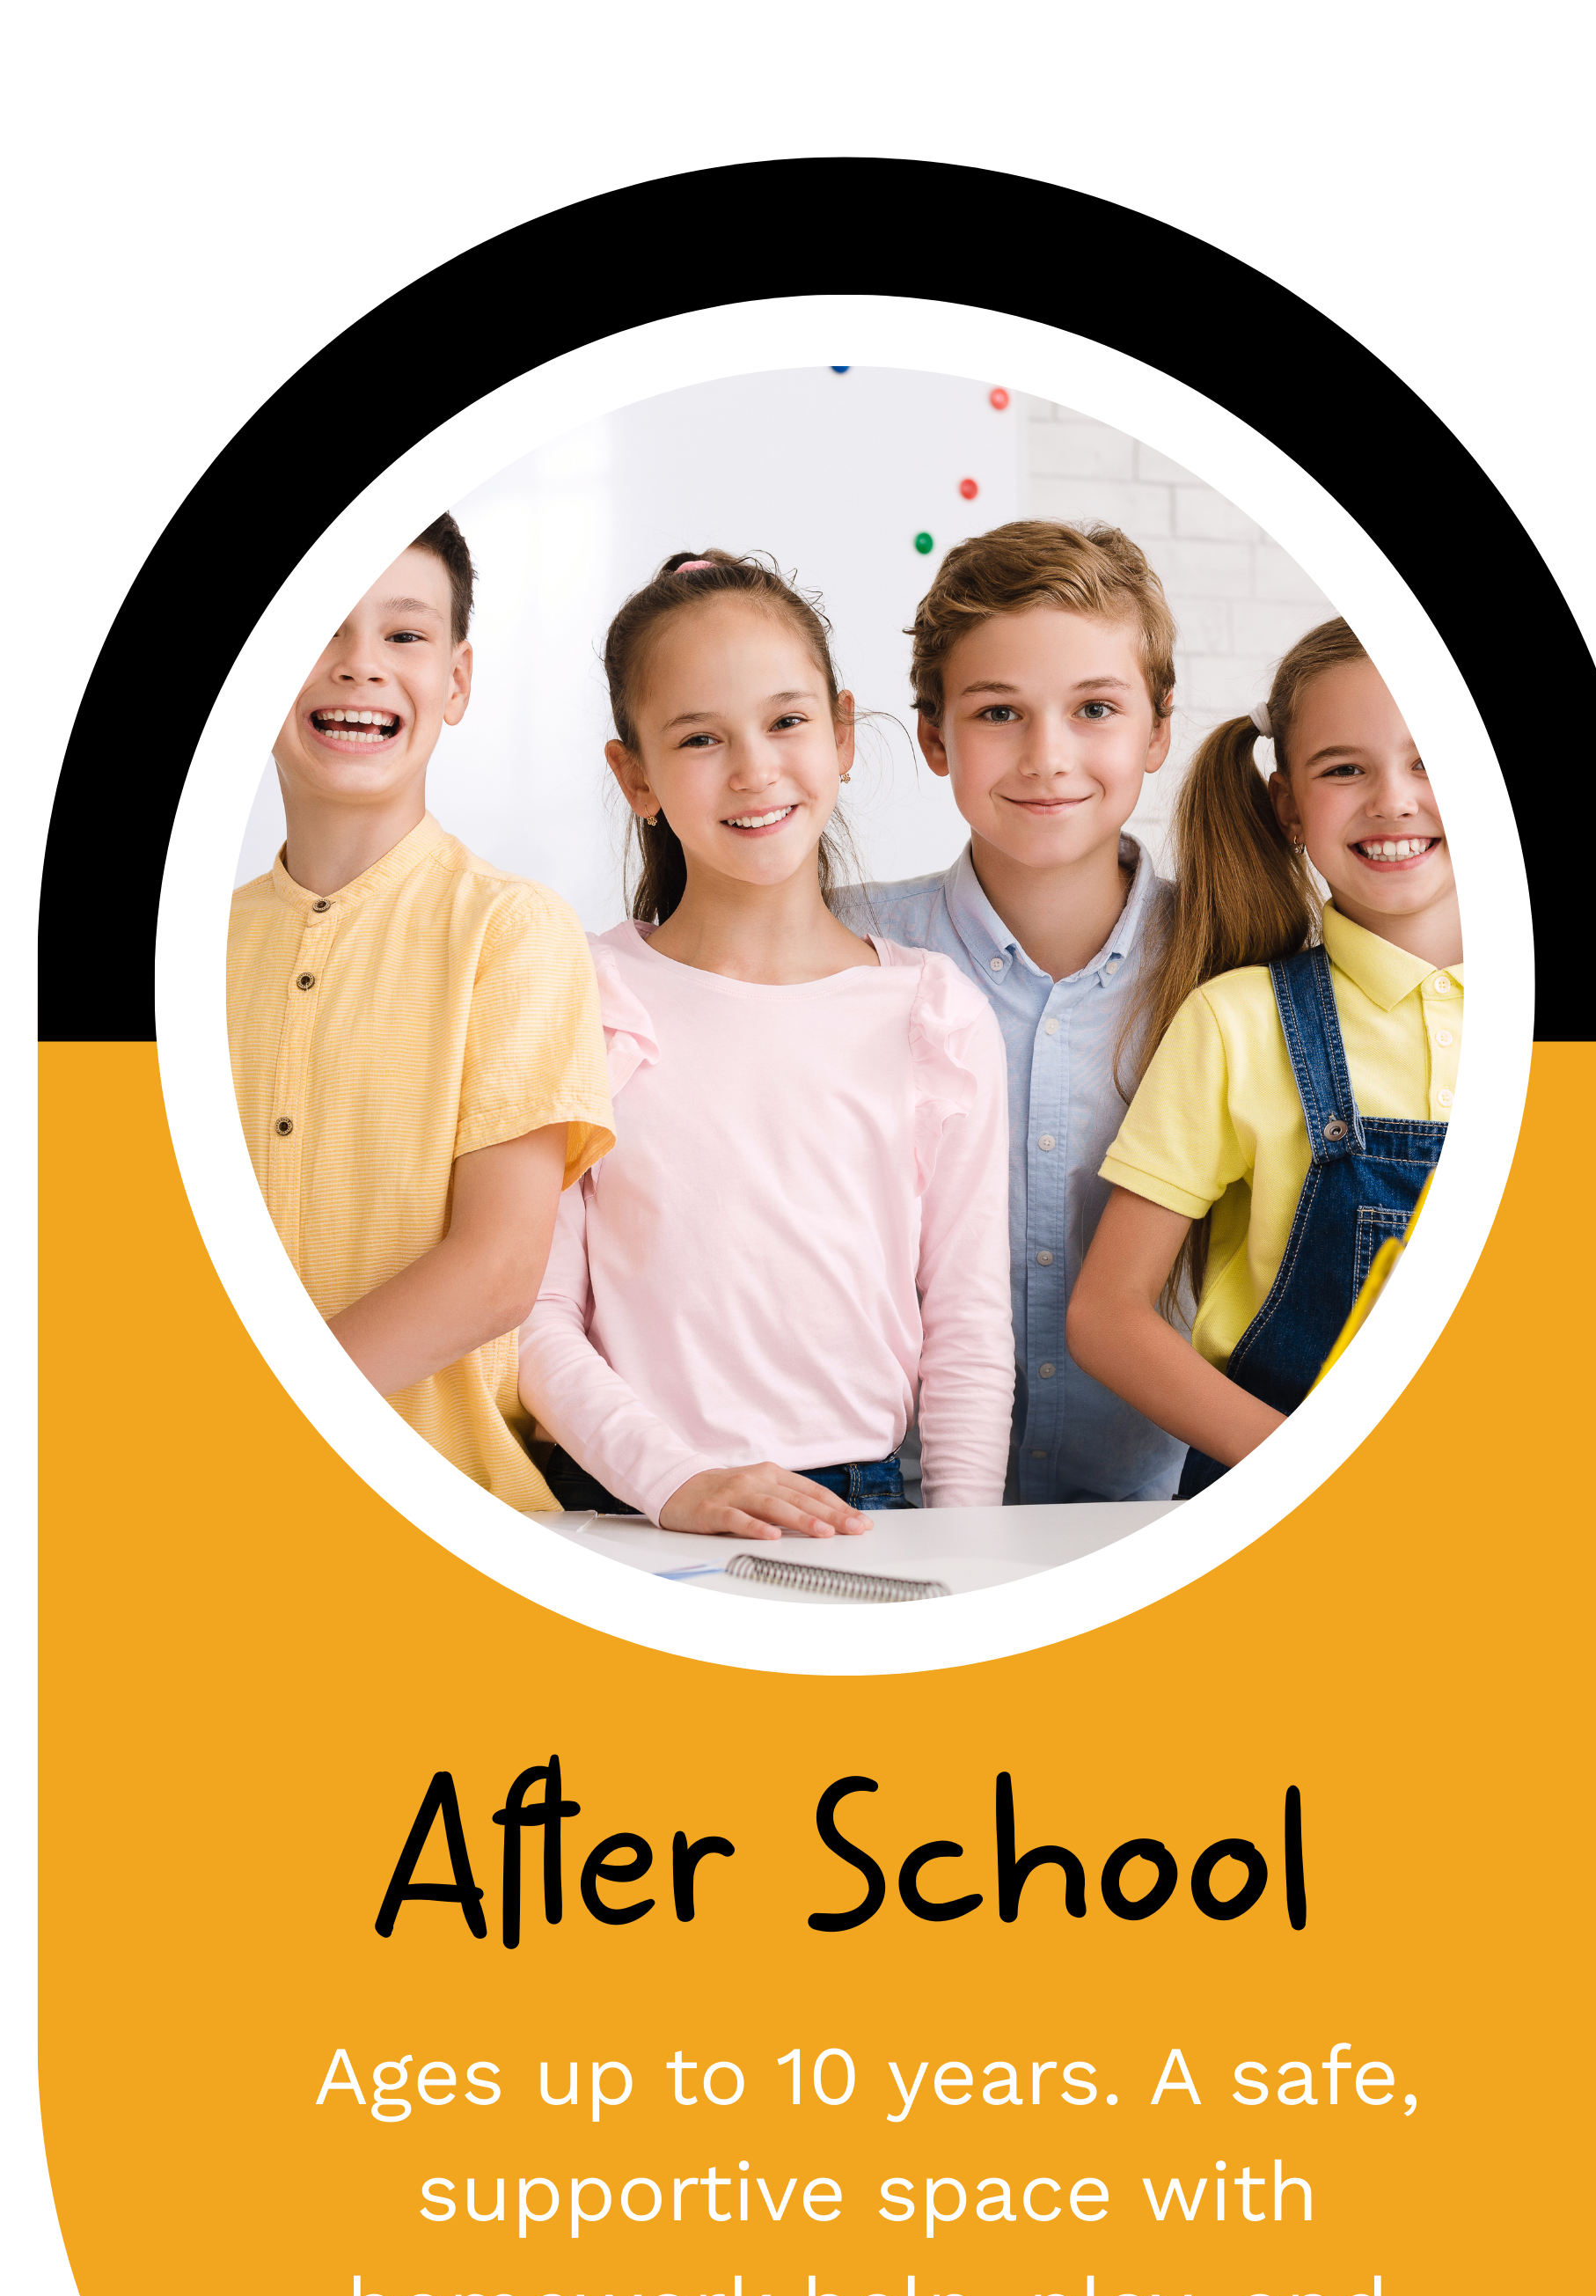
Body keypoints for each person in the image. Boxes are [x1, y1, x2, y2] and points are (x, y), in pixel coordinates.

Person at [516, 549, 1013, 1544]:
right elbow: (534, 1320)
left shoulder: (932, 1012)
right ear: (636, 777)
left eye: (786, 722)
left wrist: (963, 1549)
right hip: (628, 1506)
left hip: (858, 1511)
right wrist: (674, 1482)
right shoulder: (583, 994)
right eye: (699, 738)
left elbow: (966, 1331)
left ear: (841, 734)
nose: (754, 770)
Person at [226, 515, 613, 1509]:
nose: (359, 667)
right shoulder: (188, 950)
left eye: (404, 636)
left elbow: (495, 1270)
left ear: (458, 681)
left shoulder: (512, 931)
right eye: (318, 630)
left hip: (452, 1514)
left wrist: (243, 1418)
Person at [1066, 621, 1462, 1493]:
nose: (1393, 798)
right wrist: (1310, 1471)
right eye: (1344, 768)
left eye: (1432, 759)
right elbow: (1106, 1315)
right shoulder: (1236, 1024)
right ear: (1287, 806)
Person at [836, 519, 1184, 1504]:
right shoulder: (833, 948)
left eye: (1095, 709)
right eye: (999, 713)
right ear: (937, 737)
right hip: (878, 1509)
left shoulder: (1232, 957)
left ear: (1156, 730)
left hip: (1153, 1514)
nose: (1046, 756)